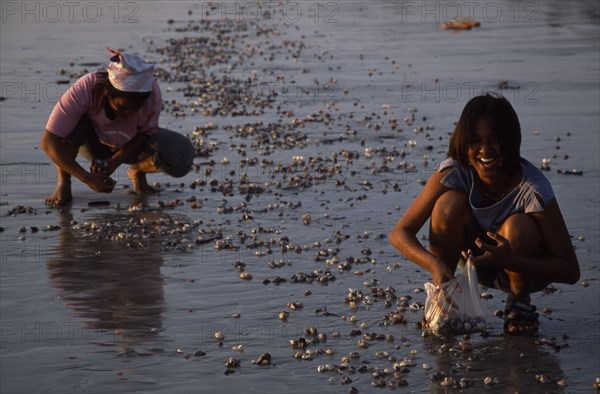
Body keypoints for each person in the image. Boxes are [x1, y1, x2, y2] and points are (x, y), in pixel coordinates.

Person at [389, 94, 580, 335]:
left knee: (518, 227)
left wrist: (512, 260)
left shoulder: (533, 190)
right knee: (448, 204)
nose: (485, 150)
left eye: (495, 140)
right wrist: (435, 265)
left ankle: (519, 305)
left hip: (524, 266)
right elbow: (399, 234)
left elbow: (571, 271)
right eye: (476, 141)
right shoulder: (455, 171)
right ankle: (445, 297)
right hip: (474, 261)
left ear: (509, 141)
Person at [41, 47, 195, 206]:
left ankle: (138, 170)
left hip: (132, 144)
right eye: (122, 107)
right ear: (108, 93)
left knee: (181, 155)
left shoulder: (152, 93)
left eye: (136, 108)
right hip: (92, 144)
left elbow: (145, 134)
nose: (129, 113)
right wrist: (87, 178)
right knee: (70, 127)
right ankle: (64, 185)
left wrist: (114, 162)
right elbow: (49, 141)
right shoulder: (86, 88)